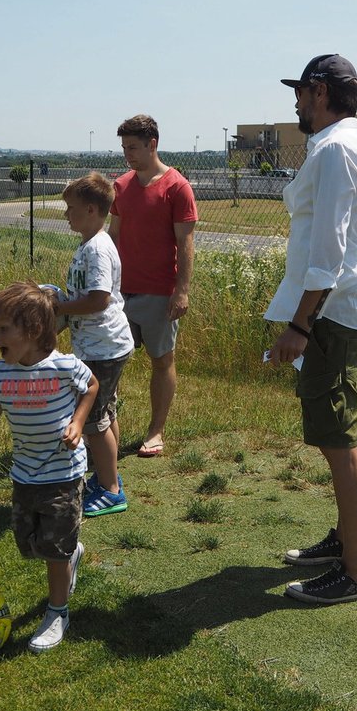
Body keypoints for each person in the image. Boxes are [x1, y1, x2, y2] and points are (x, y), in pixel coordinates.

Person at [265, 54, 357, 605]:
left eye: (299, 92)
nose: (294, 103)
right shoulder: (348, 147)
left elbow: (330, 251)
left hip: (330, 315)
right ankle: (345, 543)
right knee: (340, 433)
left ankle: (355, 571)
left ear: (319, 92)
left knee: (338, 438)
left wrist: (300, 323)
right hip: (336, 312)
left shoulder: (338, 149)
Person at [0, 281, 99, 652]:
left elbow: (91, 386)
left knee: (53, 551)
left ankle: (57, 611)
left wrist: (77, 423)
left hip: (63, 473)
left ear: (33, 330)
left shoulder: (63, 366)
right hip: (24, 474)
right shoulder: (0, 374)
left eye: (3, 329)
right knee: (31, 545)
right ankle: (70, 553)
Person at [109, 114, 198, 458]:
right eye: (124, 147)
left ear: (152, 145)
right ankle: (104, 429)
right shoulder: (121, 186)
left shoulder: (177, 186)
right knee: (109, 360)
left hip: (160, 293)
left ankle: (155, 431)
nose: (127, 153)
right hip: (119, 294)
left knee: (162, 361)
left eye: (133, 147)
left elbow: (186, 243)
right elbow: (112, 236)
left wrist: (182, 290)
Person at [55, 172, 133, 517]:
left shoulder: (98, 249)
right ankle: (107, 476)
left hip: (103, 347)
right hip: (98, 345)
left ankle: (112, 490)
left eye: (70, 208)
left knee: (92, 421)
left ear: (90, 210)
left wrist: (57, 308)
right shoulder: (89, 243)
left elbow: (99, 299)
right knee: (104, 413)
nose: (66, 214)